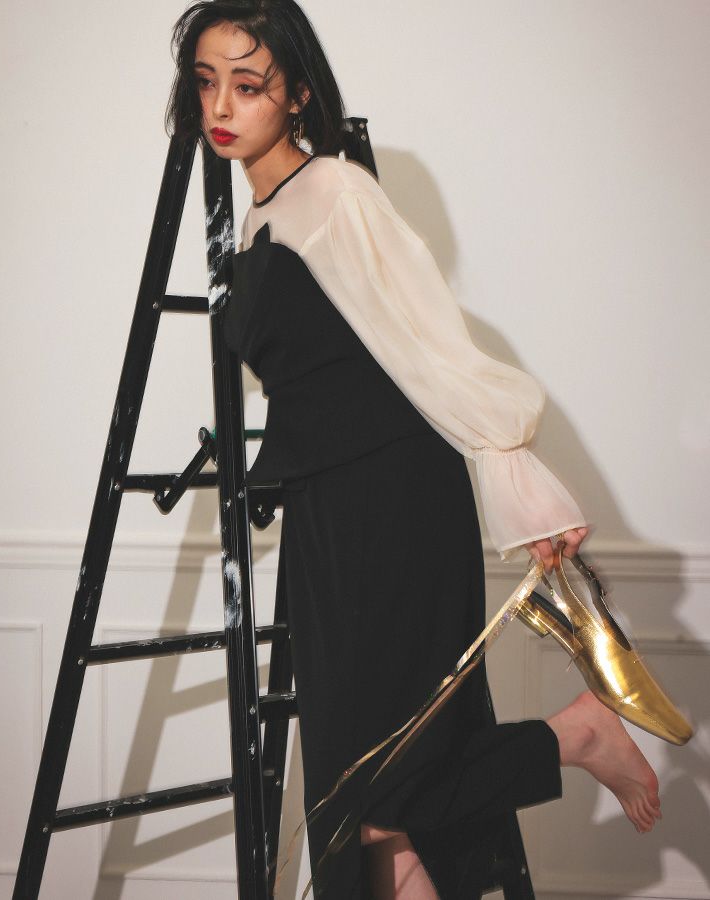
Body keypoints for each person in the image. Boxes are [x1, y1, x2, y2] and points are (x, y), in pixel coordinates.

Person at [166, 2, 661, 897]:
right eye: (207, 83)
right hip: (324, 513)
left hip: (394, 500)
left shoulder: (335, 195)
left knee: (387, 771)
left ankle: (575, 734)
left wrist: (518, 477)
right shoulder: (258, 218)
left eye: (248, 84)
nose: (222, 107)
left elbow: (432, 346)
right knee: (355, 788)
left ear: (299, 94)